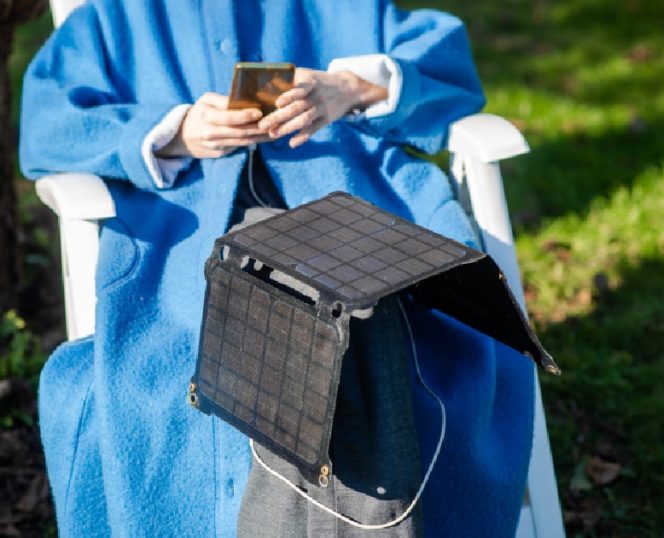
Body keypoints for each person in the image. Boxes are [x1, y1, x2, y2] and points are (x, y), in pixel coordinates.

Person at [18, 1, 536, 536]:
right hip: (188, 240)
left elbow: (445, 65)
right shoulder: (112, 13)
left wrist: (350, 88)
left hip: (359, 213)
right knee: (286, 300)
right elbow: (49, 124)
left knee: (344, 306)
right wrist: (175, 130)